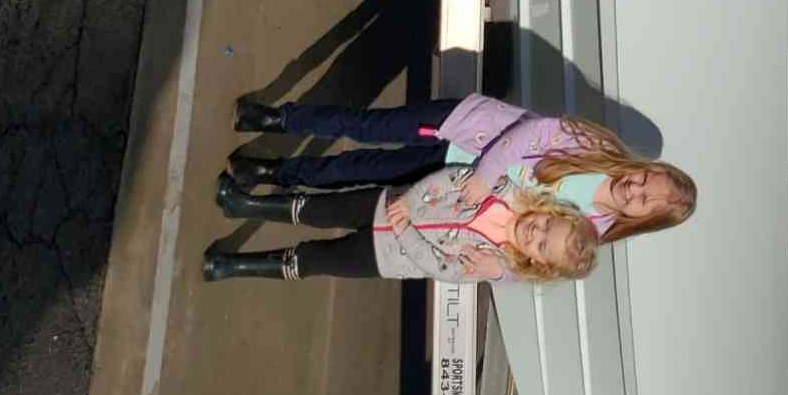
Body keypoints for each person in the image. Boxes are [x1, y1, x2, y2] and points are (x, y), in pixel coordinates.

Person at [226, 92, 697, 244]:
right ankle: (279, 117)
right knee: (367, 126)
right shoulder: (600, 146)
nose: (632, 187)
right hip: (464, 130)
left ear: (642, 219)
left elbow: (526, 237)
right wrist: (488, 176)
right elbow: (537, 131)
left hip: (449, 182)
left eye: (642, 199)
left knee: (357, 170)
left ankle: (272, 172)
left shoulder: (589, 228)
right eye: (643, 178)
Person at [203, 164, 598, 284]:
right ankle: (243, 203)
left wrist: (405, 230)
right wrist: (407, 205)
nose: (538, 234)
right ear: (551, 211)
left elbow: (439, 267)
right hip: (382, 205)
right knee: (310, 208)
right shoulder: (502, 189)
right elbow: (452, 177)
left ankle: (232, 266)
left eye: (544, 245)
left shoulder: (492, 263)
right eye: (549, 226)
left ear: (540, 263)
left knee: (310, 259)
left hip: (384, 257)